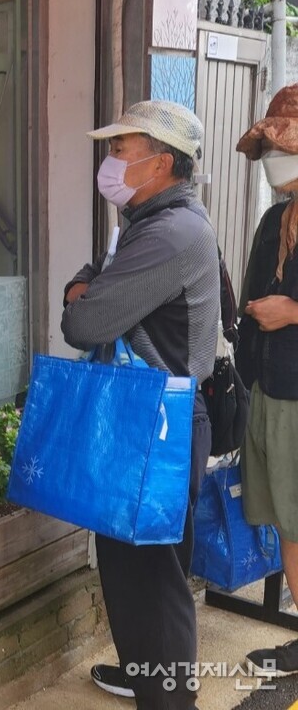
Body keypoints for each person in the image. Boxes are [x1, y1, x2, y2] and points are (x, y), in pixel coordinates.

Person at [61, 100, 219, 709]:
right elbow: (96, 274)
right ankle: (153, 681)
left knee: (152, 586)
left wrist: (83, 296)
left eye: (120, 151)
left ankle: (169, 698)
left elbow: (87, 319)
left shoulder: (170, 232)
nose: (109, 162)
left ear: (160, 162)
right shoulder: (144, 221)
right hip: (148, 419)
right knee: (136, 578)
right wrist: (89, 285)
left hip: (158, 425)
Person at [234, 83, 298, 675]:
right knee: (287, 520)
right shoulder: (275, 218)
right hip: (269, 391)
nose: (275, 159)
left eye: (286, 146)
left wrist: (294, 311)